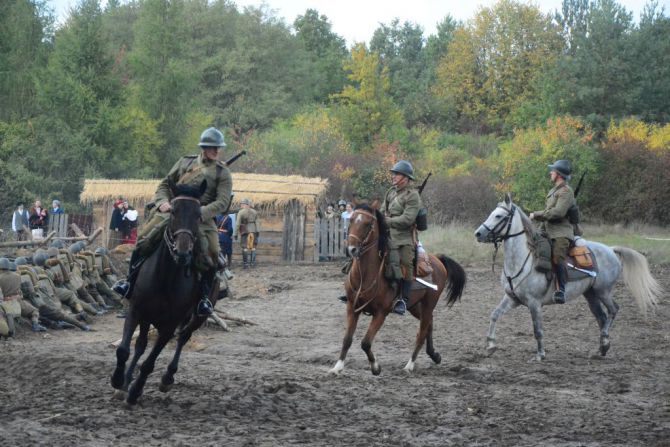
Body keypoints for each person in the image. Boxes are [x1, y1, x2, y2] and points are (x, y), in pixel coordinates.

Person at [114, 127, 232, 316]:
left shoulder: (222, 173)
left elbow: (223, 202)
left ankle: (204, 300)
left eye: (218, 148)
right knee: (143, 240)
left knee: (213, 253)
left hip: (202, 217)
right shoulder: (185, 162)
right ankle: (128, 284)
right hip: (174, 212)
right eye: (212, 147)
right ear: (203, 147)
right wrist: (162, 203)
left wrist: (201, 212)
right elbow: (164, 185)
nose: (216, 151)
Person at [529, 159, 576, 304]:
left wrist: (536, 214)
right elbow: (549, 212)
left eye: (553, 171)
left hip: (561, 233)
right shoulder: (553, 191)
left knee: (557, 257)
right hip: (547, 230)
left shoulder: (566, 192)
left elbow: (558, 213)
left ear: (559, 174)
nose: (551, 173)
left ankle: (561, 289)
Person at [383, 160, 422, 316]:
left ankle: (403, 300)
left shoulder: (413, 196)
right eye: (393, 173)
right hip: (387, 235)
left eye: (396, 174)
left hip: (404, 237)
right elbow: (382, 211)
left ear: (405, 178)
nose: (393, 176)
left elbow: (408, 219)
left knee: (406, 263)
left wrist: (388, 221)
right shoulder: (390, 192)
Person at [235, 198, 259, 268]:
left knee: (244, 247)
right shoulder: (255, 212)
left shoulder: (241, 212)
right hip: (253, 231)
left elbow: (237, 224)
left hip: (245, 231)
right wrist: (257, 231)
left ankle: (245, 264)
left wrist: (235, 234)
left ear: (245, 204)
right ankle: (253, 263)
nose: (241, 205)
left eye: (242, 204)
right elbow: (257, 223)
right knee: (253, 247)